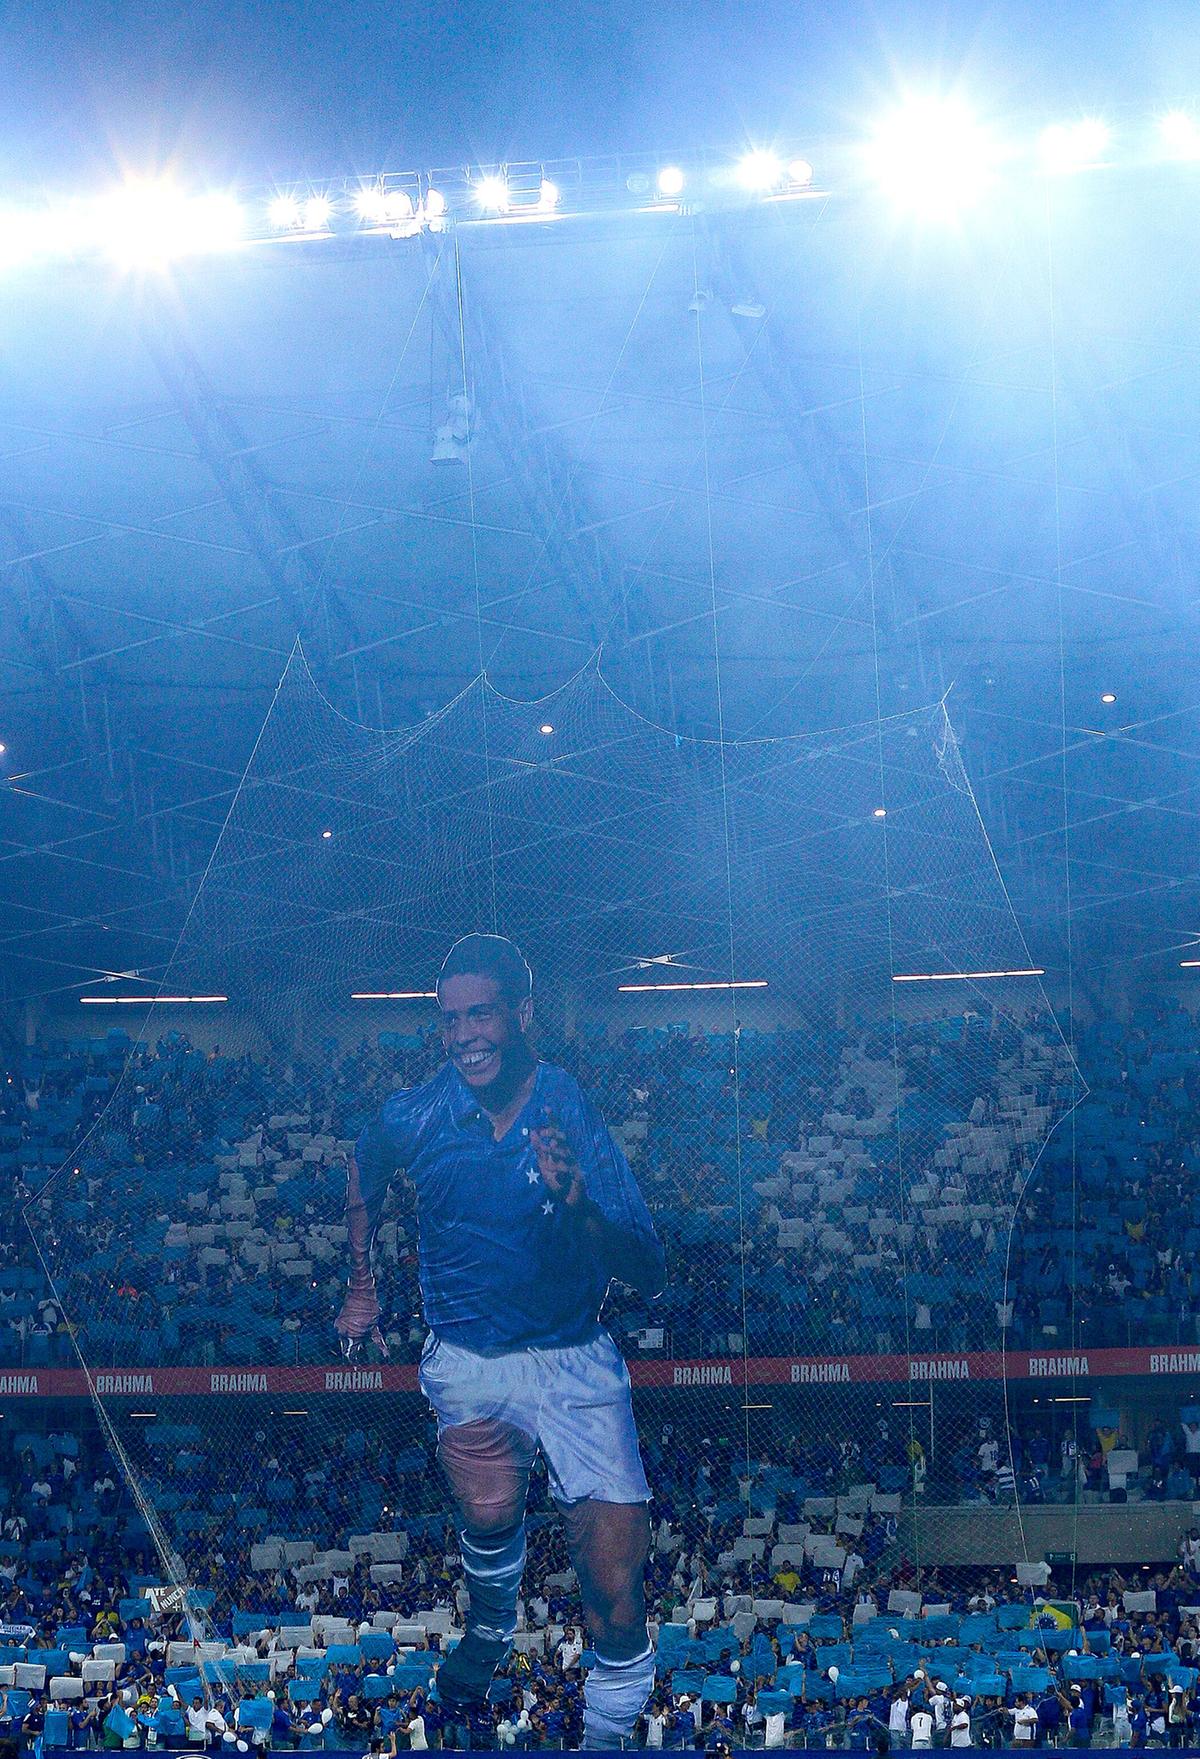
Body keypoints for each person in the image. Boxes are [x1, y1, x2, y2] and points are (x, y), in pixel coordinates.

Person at [335, 933, 666, 1749]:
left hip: (573, 1357)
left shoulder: (568, 1108)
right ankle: (490, 1624)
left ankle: (607, 1736)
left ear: (522, 1013)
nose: (466, 1034)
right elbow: (361, 1163)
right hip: (469, 1359)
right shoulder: (417, 1114)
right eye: (451, 1019)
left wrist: (582, 1205)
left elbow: (649, 1268)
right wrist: (361, 1282)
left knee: (615, 1590)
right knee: (488, 1511)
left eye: (481, 1013)